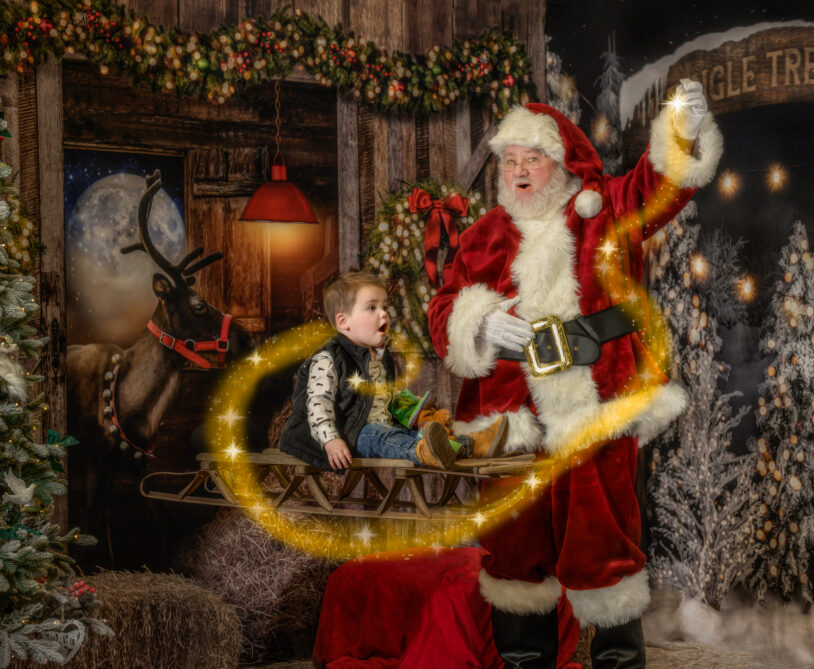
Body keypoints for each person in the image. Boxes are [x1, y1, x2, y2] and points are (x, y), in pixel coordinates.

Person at [427, 80, 721, 666]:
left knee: (605, 555)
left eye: (530, 158)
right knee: (514, 558)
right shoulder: (484, 235)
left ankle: (617, 661)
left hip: (594, 411)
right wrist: (478, 323)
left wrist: (681, 132)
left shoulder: (603, 208)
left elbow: (658, 188)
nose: (517, 171)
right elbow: (443, 310)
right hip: (511, 423)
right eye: (508, 161)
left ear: (559, 161)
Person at [279, 270, 509, 472]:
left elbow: (386, 395)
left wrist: (413, 410)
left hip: (382, 425)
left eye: (384, 306)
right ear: (344, 322)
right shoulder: (328, 358)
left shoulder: (379, 355)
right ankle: (423, 451)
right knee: (382, 437)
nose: (383, 314)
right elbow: (318, 404)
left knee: (417, 432)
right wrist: (330, 440)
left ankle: (470, 445)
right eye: (372, 307)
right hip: (349, 434)